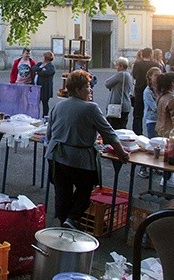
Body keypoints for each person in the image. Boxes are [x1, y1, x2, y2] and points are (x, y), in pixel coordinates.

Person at [45, 70, 129, 229]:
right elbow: (109, 133)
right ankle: (72, 218)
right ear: (77, 90)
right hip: (78, 158)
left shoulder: (58, 105)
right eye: (87, 87)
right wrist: (122, 153)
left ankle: (63, 225)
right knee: (85, 188)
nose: (90, 90)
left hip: (55, 156)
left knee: (62, 192)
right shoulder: (90, 108)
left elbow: (49, 134)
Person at [138, 66, 162, 178]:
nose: (158, 77)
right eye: (156, 75)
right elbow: (154, 107)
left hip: (161, 120)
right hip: (152, 119)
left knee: (160, 145)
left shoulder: (161, 89)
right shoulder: (147, 91)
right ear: (150, 77)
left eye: (159, 75)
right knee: (151, 144)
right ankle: (143, 168)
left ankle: (156, 167)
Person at [131, 48, 160, 135]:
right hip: (152, 89)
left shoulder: (137, 64)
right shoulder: (155, 64)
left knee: (137, 115)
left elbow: (135, 76)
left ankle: (137, 133)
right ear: (151, 54)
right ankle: (153, 132)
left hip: (139, 89)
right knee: (153, 111)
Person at [104, 57, 133, 130]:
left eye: (117, 65)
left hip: (117, 105)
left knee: (114, 128)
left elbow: (107, 83)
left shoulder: (121, 74)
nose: (116, 67)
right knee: (122, 127)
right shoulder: (128, 75)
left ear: (121, 66)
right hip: (126, 105)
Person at [32, 51, 56, 117]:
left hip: (45, 89)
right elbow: (33, 68)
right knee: (35, 103)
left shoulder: (51, 67)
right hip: (36, 87)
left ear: (46, 58)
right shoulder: (40, 64)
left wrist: (38, 72)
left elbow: (46, 73)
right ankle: (35, 116)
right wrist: (41, 69)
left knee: (45, 104)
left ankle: (44, 117)